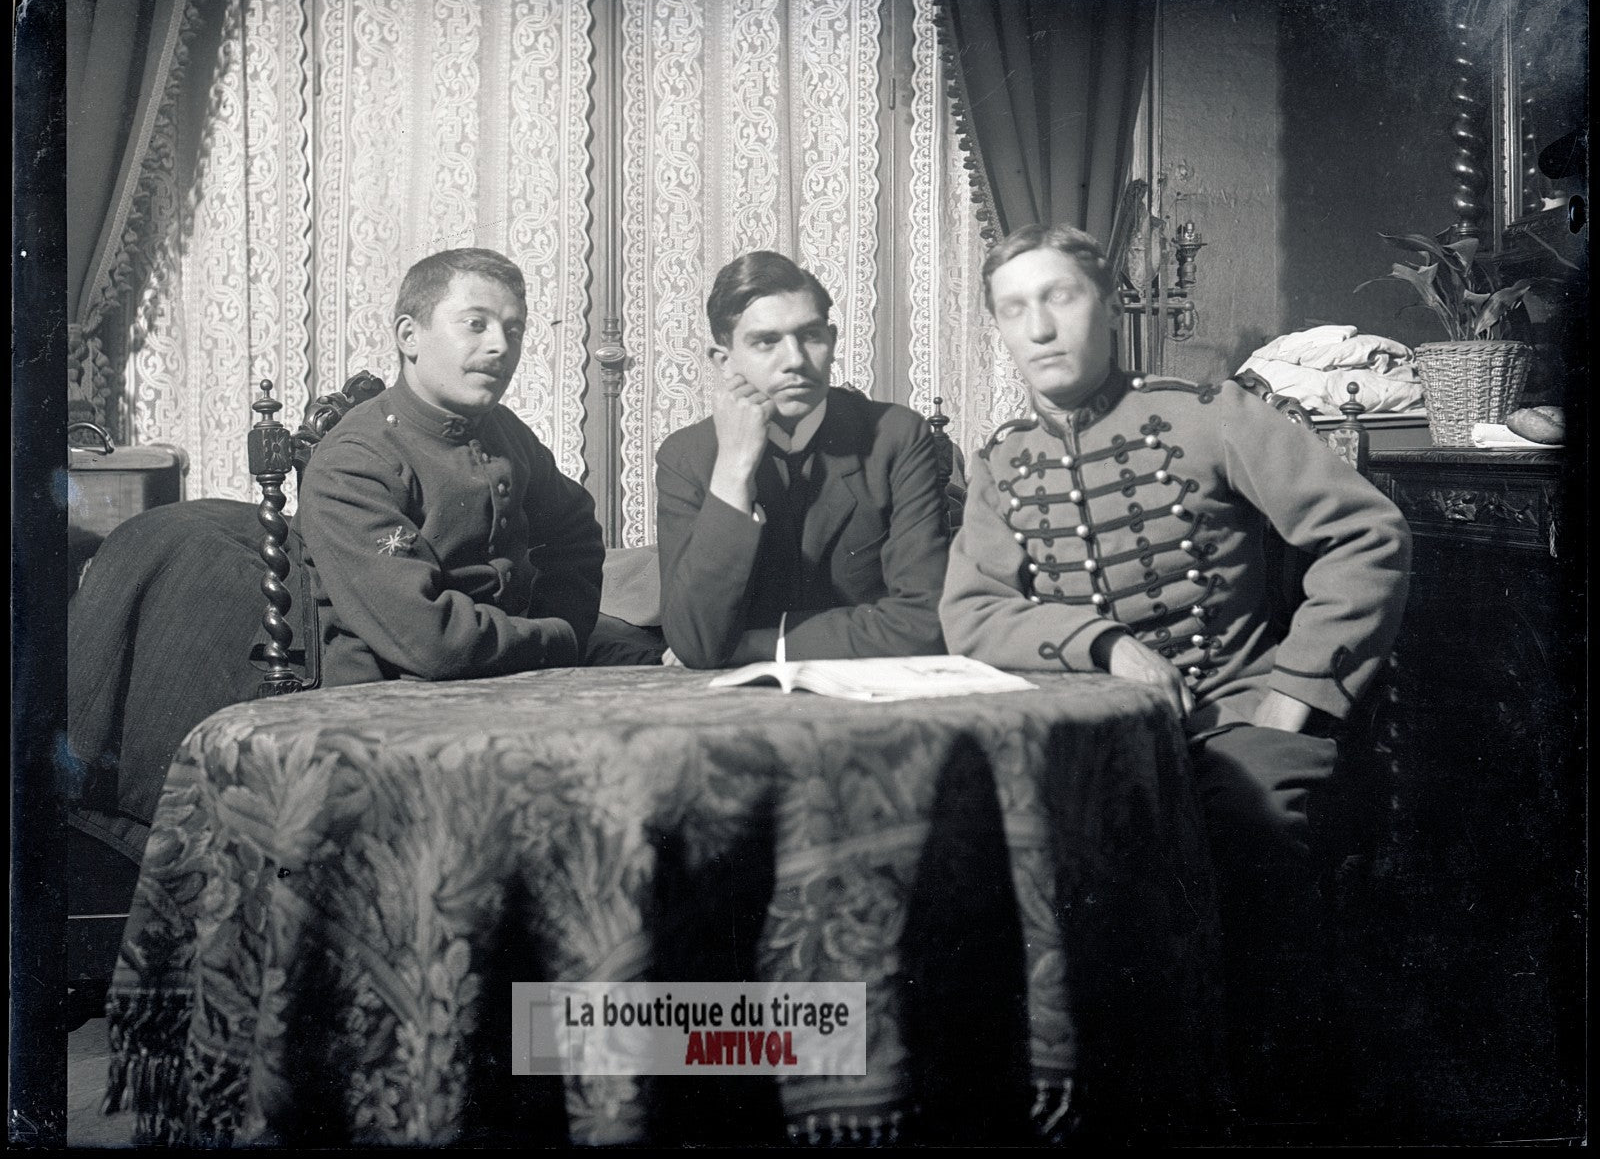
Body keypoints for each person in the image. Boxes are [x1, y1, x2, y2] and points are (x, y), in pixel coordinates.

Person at [939, 223, 1412, 1129]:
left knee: (1254, 846)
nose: (1039, 327)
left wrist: (1296, 697)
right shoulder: (1002, 460)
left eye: (1061, 297)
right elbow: (973, 615)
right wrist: (1102, 642)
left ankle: (1285, 1110)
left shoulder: (1209, 412)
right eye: (1014, 309)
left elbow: (1369, 535)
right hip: (1088, 740)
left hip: (1237, 722)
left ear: (1109, 306)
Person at [296, 247, 604, 687]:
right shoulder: (354, 462)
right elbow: (432, 642)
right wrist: (556, 638)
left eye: (513, 329)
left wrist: (565, 620)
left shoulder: (505, 432)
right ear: (409, 336)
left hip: (510, 674)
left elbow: (573, 529)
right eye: (475, 324)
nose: (500, 345)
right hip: (392, 700)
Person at [655, 250, 948, 668]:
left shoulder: (896, 437)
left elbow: (926, 621)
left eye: (810, 336)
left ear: (831, 341)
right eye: (766, 341)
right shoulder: (687, 456)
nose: (794, 360)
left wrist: (759, 647)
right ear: (725, 360)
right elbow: (696, 641)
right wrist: (733, 470)